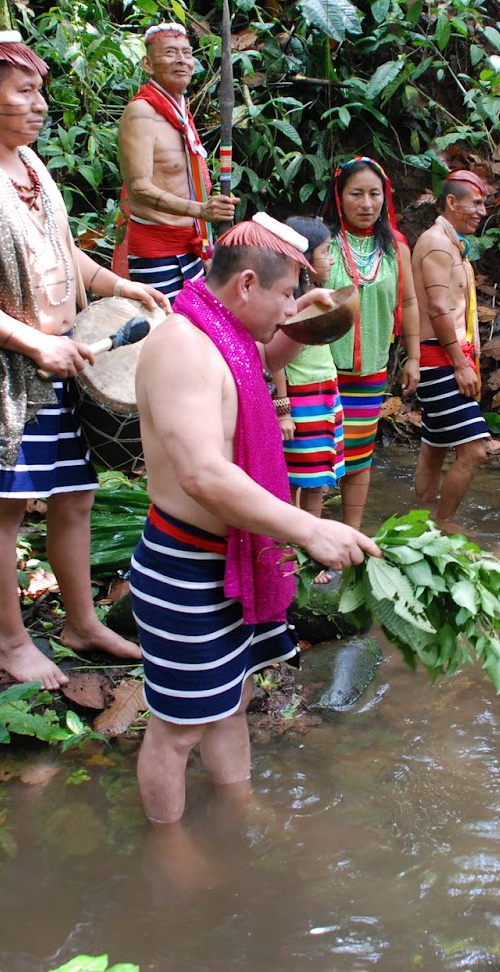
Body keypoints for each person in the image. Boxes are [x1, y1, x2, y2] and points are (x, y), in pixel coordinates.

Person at [0, 31, 170, 689]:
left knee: (76, 497)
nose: (39, 105)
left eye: (40, 92)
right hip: (1, 369)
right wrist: (33, 342)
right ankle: (13, 642)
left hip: (61, 359)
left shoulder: (31, 167)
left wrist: (118, 285)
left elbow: (57, 251)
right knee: (5, 508)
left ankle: (81, 622)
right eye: (25, 92)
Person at [131, 217, 380, 828]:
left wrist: (300, 323)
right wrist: (309, 529)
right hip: (185, 567)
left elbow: (259, 357)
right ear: (246, 284)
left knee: (234, 700)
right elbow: (202, 475)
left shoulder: (224, 333)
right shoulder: (183, 346)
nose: (291, 305)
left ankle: (238, 808)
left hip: (233, 562)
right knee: (177, 730)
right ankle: (168, 853)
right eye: (286, 294)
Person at [319, 157, 421, 528]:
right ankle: (304, 539)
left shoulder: (395, 246)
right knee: (313, 454)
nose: (366, 203)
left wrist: (414, 357)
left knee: (359, 455)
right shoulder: (322, 242)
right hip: (320, 368)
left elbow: (408, 302)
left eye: (374, 194)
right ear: (339, 196)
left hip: (370, 369)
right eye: (356, 194)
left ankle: (351, 535)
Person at [116, 22, 239, 300]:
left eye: (186, 53)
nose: (182, 60)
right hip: (156, 252)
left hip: (192, 246)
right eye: (170, 53)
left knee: (193, 329)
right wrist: (200, 210)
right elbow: (139, 188)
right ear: (148, 64)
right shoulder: (141, 112)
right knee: (163, 332)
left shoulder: (180, 111)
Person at [411, 169, 493, 530]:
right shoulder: (437, 244)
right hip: (441, 359)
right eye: (475, 203)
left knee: (435, 447)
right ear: (451, 202)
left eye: (484, 203)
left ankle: (419, 523)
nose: (482, 211)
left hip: (447, 356)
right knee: (475, 450)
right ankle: (445, 523)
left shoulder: (449, 242)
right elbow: (438, 308)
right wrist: (460, 364)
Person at [272, 216, 344, 574]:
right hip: (301, 401)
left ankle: (309, 556)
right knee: (289, 480)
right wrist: (283, 409)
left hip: (325, 397)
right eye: (325, 252)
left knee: (316, 481)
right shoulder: (292, 302)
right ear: (304, 259)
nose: (330, 260)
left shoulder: (318, 299)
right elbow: (275, 359)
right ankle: (290, 555)